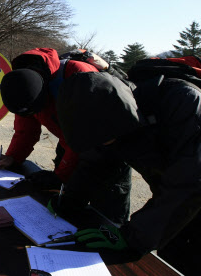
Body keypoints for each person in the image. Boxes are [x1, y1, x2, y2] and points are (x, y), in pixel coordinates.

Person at [52, 71, 201, 276]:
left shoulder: (183, 103)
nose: (104, 143)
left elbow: (188, 184)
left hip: (192, 193)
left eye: (106, 138)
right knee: (167, 252)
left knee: (187, 259)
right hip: (176, 200)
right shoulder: (111, 112)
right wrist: (69, 200)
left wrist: (133, 237)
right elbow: (97, 163)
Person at [0, 48, 131, 225]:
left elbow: (85, 135)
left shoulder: (80, 77)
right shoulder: (22, 85)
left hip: (108, 149)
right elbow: (26, 131)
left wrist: (61, 176)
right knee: (63, 209)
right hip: (69, 144)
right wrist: (12, 157)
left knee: (106, 216)